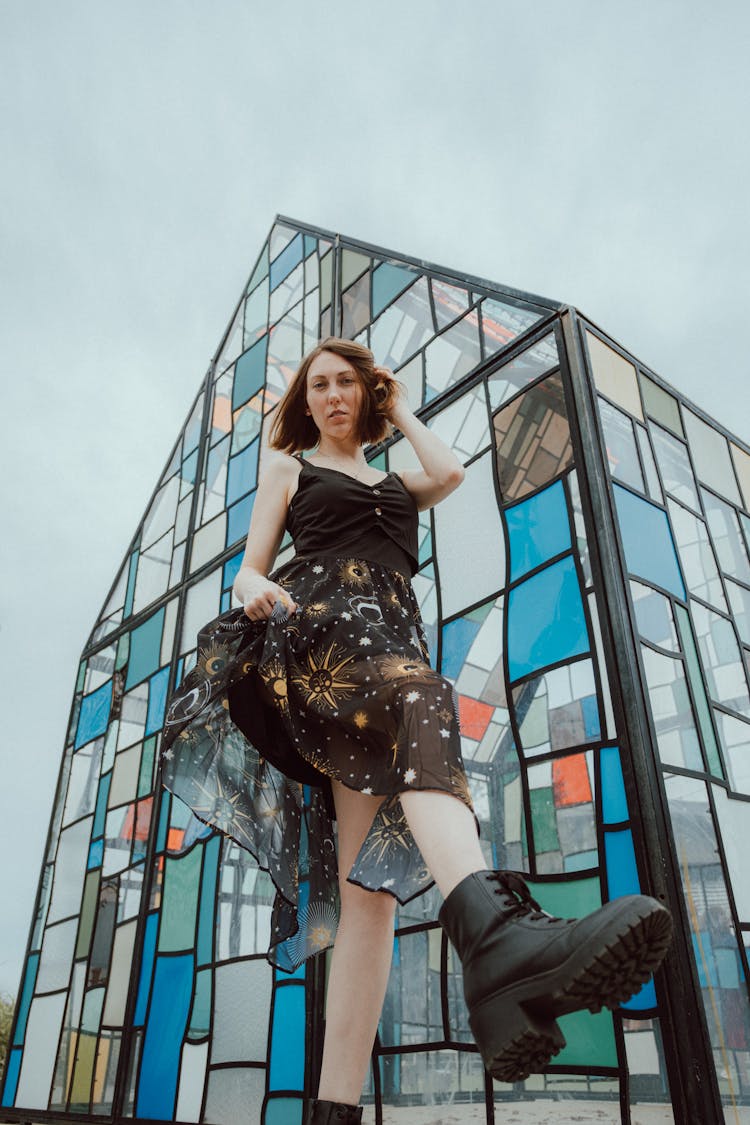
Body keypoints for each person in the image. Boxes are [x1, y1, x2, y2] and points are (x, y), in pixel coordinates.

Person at [161, 337, 673, 1125]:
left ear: (366, 395)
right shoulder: (288, 468)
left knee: (371, 898)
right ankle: (496, 937)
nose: (332, 395)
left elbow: (451, 472)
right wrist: (257, 588)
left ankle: (337, 1108)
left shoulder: (399, 479)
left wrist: (397, 402)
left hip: (392, 649)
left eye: (346, 384)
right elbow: (249, 568)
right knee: (428, 696)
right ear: (305, 402)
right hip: (323, 640)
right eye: (319, 386)